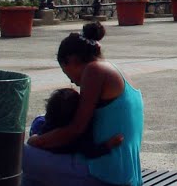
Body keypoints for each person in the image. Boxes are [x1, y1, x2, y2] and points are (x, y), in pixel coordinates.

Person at [23, 21, 143, 186]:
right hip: (125, 174)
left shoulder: (94, 71)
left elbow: (76, 129)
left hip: (105, 174)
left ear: (71, 60)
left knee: (22, 155)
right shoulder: (114, 69)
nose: (73, 81)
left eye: (68, 74)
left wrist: (38, 141)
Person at [30, 89, 122, 159]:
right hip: (62, 155)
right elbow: (90, 152)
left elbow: (36, 138)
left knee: (38, 121)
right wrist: (109, 144)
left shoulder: (49, 125)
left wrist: (35, 137)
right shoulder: (79, 133)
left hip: (44, 151)